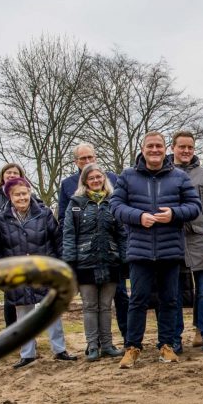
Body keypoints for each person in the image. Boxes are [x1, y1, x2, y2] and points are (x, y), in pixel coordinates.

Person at [111, 131, 201, 368]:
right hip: (139, 250)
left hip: (170, 249)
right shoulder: (128, 176)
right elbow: (116, 206)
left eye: (158, 146)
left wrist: (173, 214)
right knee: (138, 300)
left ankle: (167, 345)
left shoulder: (179, 177)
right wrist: (138, 217)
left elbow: (194, 206)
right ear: (142, 149)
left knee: (170, 300)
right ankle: (132, 348)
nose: (154, 150)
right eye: (150, 146)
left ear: (165, 149)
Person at [0, 177, 77, 368]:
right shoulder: (0, 219)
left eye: (25, 193)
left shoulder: (44, 214)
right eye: (17, 194)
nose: (22, 197)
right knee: (24, 314)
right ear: (9, 197)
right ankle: (27, 354)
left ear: (30, 193)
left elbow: (57, 241)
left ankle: (59, 349)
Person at [57, 143, 129, 347]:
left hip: (110, 258)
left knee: (112, 303)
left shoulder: (113, 192)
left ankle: (115, 341)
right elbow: (66, 227)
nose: (87, 162)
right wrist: (71, 260)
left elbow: (121, 231)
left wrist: (124, 258)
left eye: (90, 157)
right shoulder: (71, 193)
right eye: (83, 159)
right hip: (85, 259)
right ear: (76, 162)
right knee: (90, 305)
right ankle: (92, 345)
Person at [170, 131, 203, 353]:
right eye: (181, 147)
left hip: (201, 240)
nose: (186, 151)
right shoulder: (164, 174)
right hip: (172, 240)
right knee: (172, 293)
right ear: (173, 147)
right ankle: (174, 337)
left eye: (190, 147)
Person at [0, 162, 41, 327]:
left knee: (32, 298)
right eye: (8, 172)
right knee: (11, 299)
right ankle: (11, 330)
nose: (11, 175)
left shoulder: (31, 198)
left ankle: (30, 335)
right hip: (9, 252)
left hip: (30, 252)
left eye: (15, 173)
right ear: (2, 176)